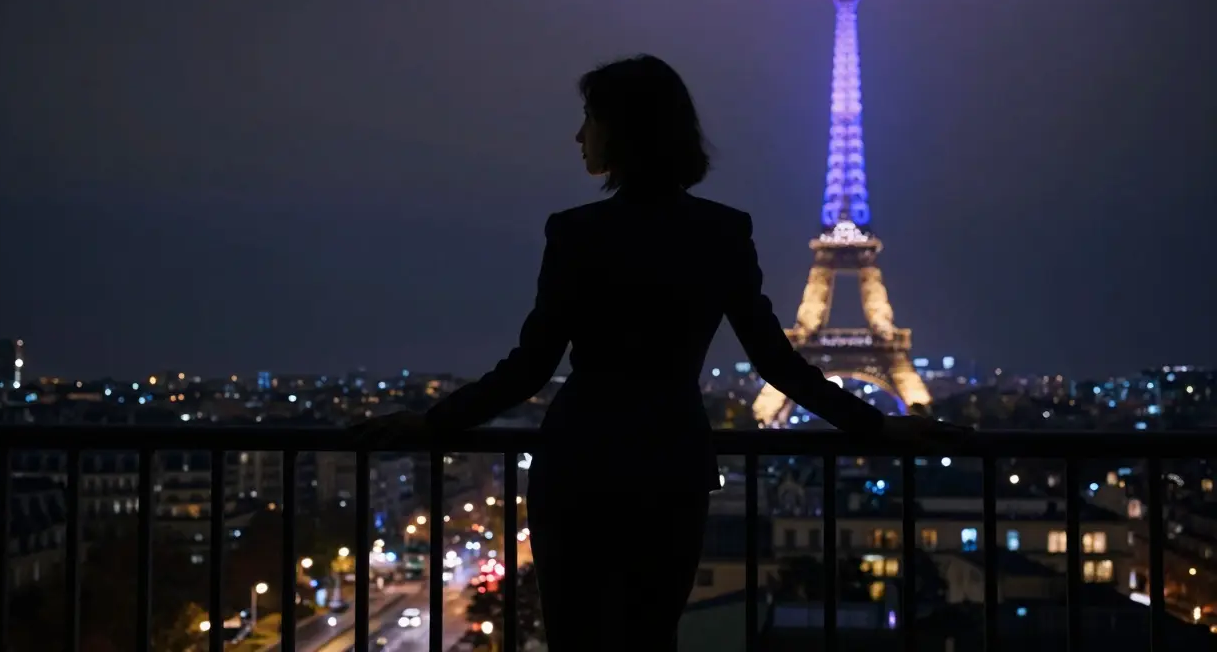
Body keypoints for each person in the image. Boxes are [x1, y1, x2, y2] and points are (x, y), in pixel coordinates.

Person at [356, 54, 969, 650]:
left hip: (579, 464)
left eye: (589, 118)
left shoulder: (575, 233)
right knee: (651, 637)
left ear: (622, 130)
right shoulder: (722, 231)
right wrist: (877, 427)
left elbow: (529, 368)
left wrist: (432, 422)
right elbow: (779, 363)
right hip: (670, 466)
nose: (578, 136)